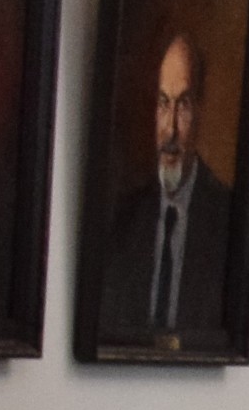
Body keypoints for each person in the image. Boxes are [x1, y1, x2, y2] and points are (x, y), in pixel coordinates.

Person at [96, 27, 240, 347]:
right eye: (163, 104)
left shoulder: (228, 220)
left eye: (183, 105)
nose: (170, 129)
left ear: (200, 111)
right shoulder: (124, 219)